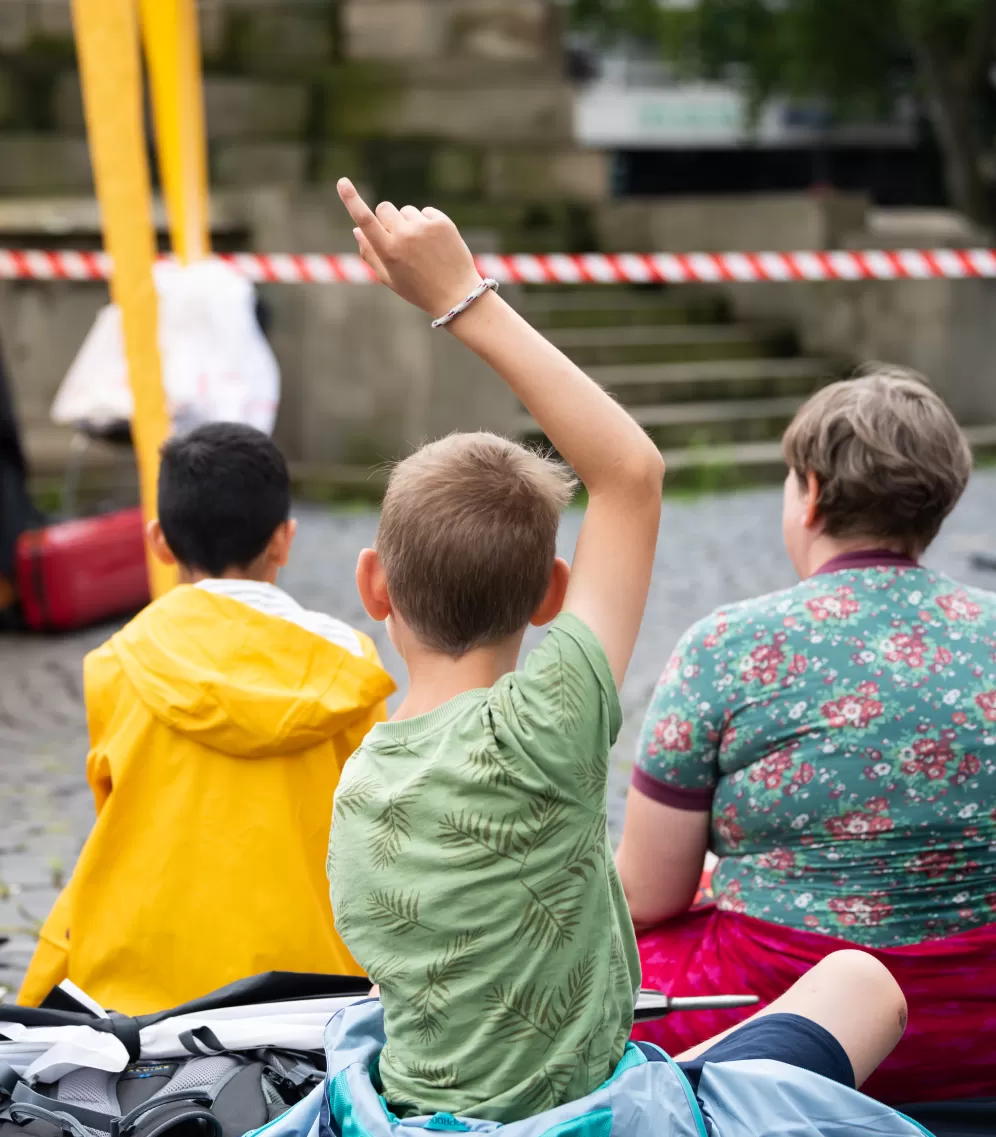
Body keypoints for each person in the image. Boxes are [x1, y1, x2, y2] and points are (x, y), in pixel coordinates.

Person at [327, 180, 909, 1124]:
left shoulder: (358, 785)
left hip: (419, 1111)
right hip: (602, 1115)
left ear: (372, 584)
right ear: (553, 594)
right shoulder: (546, 726)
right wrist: (462, 297)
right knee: (858, 983)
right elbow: (629, 473)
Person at [617, 367, 996, 1105]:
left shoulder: (726, 645)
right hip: (978, 1017)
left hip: (780, 1011)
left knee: (595, 973)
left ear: (812, 493)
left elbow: (646, 893)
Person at [18, 422, 395, 1014]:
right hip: (313, 986)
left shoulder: (115, 664)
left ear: (159, 542)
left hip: (144, 991)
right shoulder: (350, 664)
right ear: (284, 540)